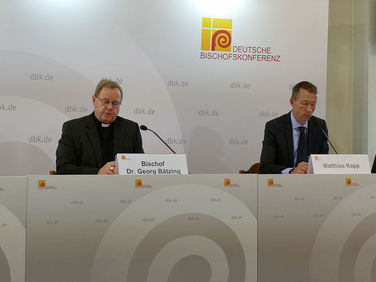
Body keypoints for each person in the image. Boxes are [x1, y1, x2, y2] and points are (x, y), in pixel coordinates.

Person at [56, 79, 144, 175]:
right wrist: (98, 172)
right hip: (85, 188)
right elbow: (63, 168)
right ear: (94, 100)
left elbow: (140, 165)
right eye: (105, 102)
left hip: (122, 188)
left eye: (115, 103)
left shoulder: (131, 129)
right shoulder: (73, 128)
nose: (110, 107)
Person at [260, 81, 329, 174]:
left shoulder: (320, 126)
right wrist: (292, 171)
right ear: (292, 102)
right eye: (305, 103)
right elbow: (265, 167)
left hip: (312, 184)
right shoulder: (274, 127)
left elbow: (324, 163)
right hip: (283, 184)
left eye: (313, 105)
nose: (309, 109)